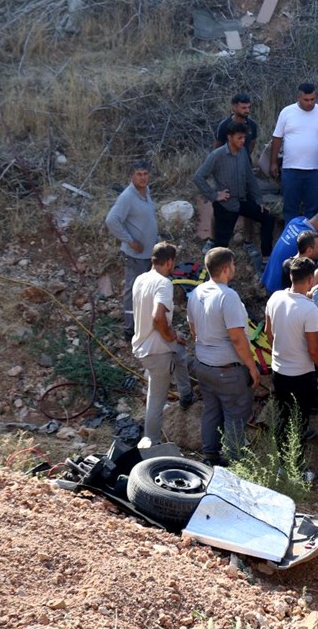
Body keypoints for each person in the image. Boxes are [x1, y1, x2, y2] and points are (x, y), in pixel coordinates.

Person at [187, 247, 260, 466]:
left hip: (203, 364)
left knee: (211, 411)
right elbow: (237, 338)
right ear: (227, 268)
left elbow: (193, 328)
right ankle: (236, 462)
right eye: (234, 265)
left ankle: (210, 456)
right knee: (235, 416)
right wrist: (252, 367)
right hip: (227, 369)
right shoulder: (228, 296)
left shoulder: (197, 292)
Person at [130, 242, 194, 447]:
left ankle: (186, 395)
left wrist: (173, 337)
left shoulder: (141, 279)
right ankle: (152, 443)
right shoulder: (163, 283)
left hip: (143, 345)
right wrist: (168, 337)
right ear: (169, 262)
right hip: (156, 350)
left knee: (180, 352)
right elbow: (158, 317)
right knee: (156, 399)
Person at [264, 256, 318, 448]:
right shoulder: (309, 309)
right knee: (300, 420)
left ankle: (281, 455)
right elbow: (314, 348)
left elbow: (269, 334)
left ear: (291, 276)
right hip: (301, 375)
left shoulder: (275, 298)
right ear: (310, 279)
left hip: (278, 369)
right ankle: (295, 466)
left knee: (284, 414)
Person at [192, 123, 277, 267]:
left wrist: (258, 199)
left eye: (244, 137)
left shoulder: (243, 151)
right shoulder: (217, 155)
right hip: (226, 204)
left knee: (267, 218)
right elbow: (198, 177)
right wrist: (214, 195)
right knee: (221, 244)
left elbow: (250, 177)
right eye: (239, 138)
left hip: (243, 199)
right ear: (229, 137)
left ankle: (266, 259)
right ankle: (216, 273)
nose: (242, 141)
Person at [268, 83, 318, 220]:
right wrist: (273, 162)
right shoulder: (287, 112)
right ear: (298, 97)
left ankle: (311, 239)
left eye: (313, 99)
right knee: (290, 208)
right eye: (306, 100)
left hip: (314, 170)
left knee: (312, 209)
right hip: (291, 169)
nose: (310, 103)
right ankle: (291, 239)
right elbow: (277, 138)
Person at [105, 161, 159, 336]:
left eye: (145, 174)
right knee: (133, 290)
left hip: (148, 253)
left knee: (146, 290)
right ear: (132, 176)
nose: (143, 178)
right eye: (139, 174)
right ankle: (129, 328)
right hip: (135, 254)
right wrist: (130, 240)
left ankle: (145, 324)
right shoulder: (127, 196)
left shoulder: (145, 192)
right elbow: (111, 220)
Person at [213, 92, 259, 164]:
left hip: (245, 164)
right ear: (235, 107)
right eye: (243, 108)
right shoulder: (224, 125)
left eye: (248, 107)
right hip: (228, 165)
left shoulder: (252, 125)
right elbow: (217, 147)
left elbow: (252, 144)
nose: (247, 111)